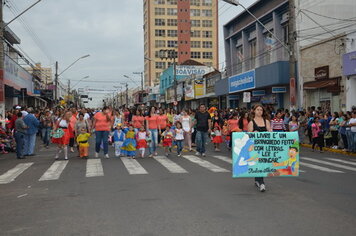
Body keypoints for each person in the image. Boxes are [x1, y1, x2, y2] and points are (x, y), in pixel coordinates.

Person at [247, 104, 272, 192]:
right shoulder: (251, 122)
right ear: (254, 111)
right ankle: (261, 183)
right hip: (255, 147)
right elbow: (248, 135)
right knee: (258, 164)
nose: (259, 111)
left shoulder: (266, 121)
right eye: (257, 109)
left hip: (264, 147)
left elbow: (269, 130)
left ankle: (257, 180)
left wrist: (270, 131)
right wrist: (253, 132)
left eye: (261, 110)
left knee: (262, 164)